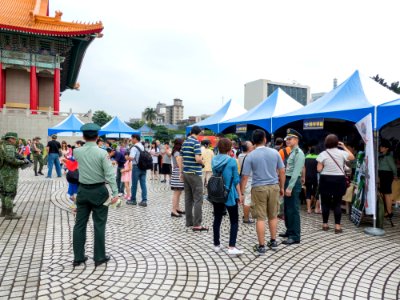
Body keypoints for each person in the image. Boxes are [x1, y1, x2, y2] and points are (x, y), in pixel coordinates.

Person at [72, 123, 119, 267]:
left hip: (83, 191)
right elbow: (110, 174)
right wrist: (115, 192)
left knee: (79, 224)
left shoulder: (77, 152)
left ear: (83, 136)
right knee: (99, 224)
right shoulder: (102, 153)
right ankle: (99, 257)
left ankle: (78, 257)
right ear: (97, 136)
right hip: (99, 191)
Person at [241, 129, 285, 254]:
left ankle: (261, 246)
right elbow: (282, 171)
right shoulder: (275, 152)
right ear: (265, 139)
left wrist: (242, 193)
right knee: (273, 215)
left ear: (253, 142)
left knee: (260, 218)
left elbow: (245, 177)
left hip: (258, 188)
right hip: (274, 186)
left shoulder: (250, 156)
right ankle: (273, 240)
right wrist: (282, 187)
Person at [211, 138, 243, 256]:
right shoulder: (232, 161)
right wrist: (240, 195)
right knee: (234, 220)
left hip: (217, 193)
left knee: (217, 218)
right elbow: (236, 180)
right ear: (230, 149)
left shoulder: (214, 160)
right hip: (229, 194)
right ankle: (231, 246)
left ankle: (216, 245)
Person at [317, 134, 355, 233]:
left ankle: (325, 224)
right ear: (337, 143)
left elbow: (319, 169)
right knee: (337, 204)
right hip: (339, 179)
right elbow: (352, 157)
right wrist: (343, 146)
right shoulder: (342, 153)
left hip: (325, 179)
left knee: (325, 203)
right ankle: (337, 227)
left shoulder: (322, 154)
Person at [280, 129, 305, 245]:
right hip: (289, 180)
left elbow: (296, 172)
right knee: (287, 208)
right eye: (287, 139)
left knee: (293, 209)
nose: (287, 141)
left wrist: (289, 187)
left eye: (290, 139)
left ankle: (295, 236)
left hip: (293, 182)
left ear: (296, 139)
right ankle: (289, 230)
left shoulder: (299, 153)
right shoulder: (292, 152)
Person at [182, 126, 208, 231]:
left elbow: (181, 157)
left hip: (186, 173)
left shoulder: (185, 142)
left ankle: (189, 222)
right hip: (195, 173)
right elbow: (197, 158)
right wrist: (203, 162)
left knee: (188, 199)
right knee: (198, 199)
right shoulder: (196, 143)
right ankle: (197, 224)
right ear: (199, 133)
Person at [0, 132, 29, 219]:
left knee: (3, 192)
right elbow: (11, 159)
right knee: (10, 192)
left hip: (3, 172)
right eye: (14, 139)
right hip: (10, 173)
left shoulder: (3, 145)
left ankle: (4, 211)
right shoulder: (9, 147)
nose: (15, 141)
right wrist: (22, 162)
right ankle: (9, 213)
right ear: (10, 139)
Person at [378, 139, 397, 218]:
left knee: (387, 194)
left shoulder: (389, 156)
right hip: (382, 174)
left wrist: (395, 175)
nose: (380, 148)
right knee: (384, 193)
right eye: (380, 146)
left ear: (387, 148)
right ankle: (387, 210)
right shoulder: (381, 156)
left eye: (383, 147)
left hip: (387, 175)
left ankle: (389, 212)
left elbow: (393, 167)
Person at [127, 134, 148, 206]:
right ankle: (144, 200)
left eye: (132, 139)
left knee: (134, 184)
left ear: (135, 138)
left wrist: (127, 157)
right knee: (143, 184)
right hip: (143, 167)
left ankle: (133, 200)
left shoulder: (134, 147)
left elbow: (132, 157)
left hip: (136, 167)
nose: (131, 140)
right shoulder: (142, 146)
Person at [238, 141, 254, 224]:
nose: (253, 146)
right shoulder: (249, 157)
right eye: (251, 145)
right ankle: (246, 218)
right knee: (247, 200)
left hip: (242, 179)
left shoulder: (240, 155)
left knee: (245, 199)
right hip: (248, 179)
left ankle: (245, 214)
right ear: (248, 148)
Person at [170, 139, 185, 217]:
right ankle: (173, 210)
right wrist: (181, 172)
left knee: (179, 192)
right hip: (177, 173)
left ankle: (177, 208)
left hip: (177, 172)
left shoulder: (176, 152)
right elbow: (179, 162)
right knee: (176, 192)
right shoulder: (176, 152)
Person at [305, 146, 320, 214]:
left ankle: (308, 209)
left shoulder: (306, 157)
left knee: (308, 191)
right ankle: (316, 208)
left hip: (307, 176)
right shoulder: (319, 158)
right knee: (317, 191)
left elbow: (304, 167)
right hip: (316, 177)